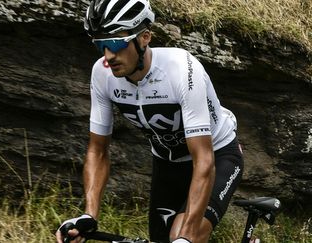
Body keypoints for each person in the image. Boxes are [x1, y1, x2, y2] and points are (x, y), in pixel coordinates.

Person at [55, 0, 244, 242]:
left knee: (182, 235)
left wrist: (186, 236)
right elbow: (98, 151)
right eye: (100, 44)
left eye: (115, 43)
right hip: (167, 162)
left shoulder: (181, 69)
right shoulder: (102, 74)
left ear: (144, 37)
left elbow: (204, 160)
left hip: (217, 155)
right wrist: (89, 214)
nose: (108, 55)